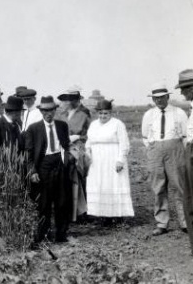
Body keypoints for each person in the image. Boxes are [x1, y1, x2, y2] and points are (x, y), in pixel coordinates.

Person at [25, 96, 73, 243]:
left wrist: (69, 161)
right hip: (43, 166)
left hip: (59, 164)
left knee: (62, 201)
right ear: (40, 111)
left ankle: (61, 235)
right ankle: (43, 236)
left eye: (51, 110)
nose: (48, 113)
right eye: (45, 110)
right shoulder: (33, 129)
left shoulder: (62, 126)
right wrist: (32, 171)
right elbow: (29, 153)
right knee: (43, 203)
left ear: (55, 110)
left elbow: (67, 146)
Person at [141, 83, 188, 236]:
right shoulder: (149, 114)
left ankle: (185, 221)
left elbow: (185, 135)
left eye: (162, 97)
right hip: (155, 152)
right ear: (153, 99)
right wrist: (152, 149)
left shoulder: (178, 112)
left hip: (175, 150)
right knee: (158, 187)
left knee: (180, 186)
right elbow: (145, 136)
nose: (159, 101)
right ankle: (162, 223)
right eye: (156, 98)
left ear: (168, 97)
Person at [85, 99, 134, 223]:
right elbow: (88, 141)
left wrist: (120, 160)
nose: (103, 116)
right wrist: (88, 152)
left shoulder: (117, 124)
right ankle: (103, 216)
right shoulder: (93, 124)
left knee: (114, 185)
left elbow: (124, 144)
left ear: (110, 113)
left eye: (105, 113)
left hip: (112, 158)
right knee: (100, 185)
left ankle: (118, 216)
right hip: (97, 161)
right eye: (100, 113)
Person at [57, 86, 91, 222]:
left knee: (77, 176)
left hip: (78, 147)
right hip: (64, 146)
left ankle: (81, 211)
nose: (67, 102)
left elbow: (89, 133)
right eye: (66, 100)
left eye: (70, 99)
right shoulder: (63, 114)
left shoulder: (84, 114)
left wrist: (77, 138)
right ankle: (69, 210)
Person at [175, 69, 193, 252]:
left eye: (185, 89)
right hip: (189, 150)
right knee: (189, 199)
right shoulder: (191, 108)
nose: (182, 93)